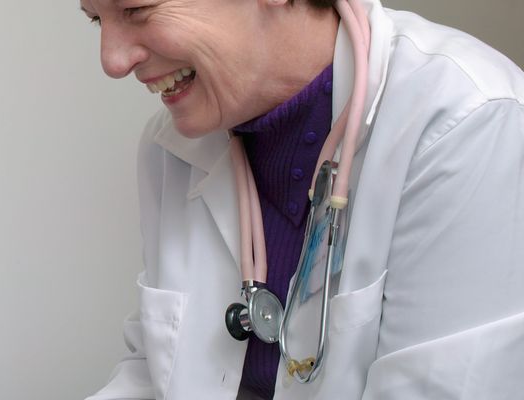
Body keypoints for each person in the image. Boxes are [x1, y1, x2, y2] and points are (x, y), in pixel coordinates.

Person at [78, 0, 524, 399]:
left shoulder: (467, 120)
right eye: (97, 20)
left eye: (136, 9)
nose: (112, 61)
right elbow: (156, 371)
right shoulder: (169, 148)